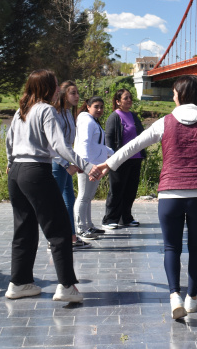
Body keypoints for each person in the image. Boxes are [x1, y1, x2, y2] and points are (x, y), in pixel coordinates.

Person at [90, 75, 197, 319]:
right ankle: (192, 298)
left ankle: (174, 296)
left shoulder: (165, 122)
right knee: (196, 248)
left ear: (180, 96)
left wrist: (108, 164)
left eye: (174, 93)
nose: (172, 96)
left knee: (171, 247)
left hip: (170, 193)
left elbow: (134, 145)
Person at [5, 69, 93, 303]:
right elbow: (59, 145)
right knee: (60, 229)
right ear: (45, 88)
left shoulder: (21, 110)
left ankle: (19, 283)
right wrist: (86, 165)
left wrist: (10, 163)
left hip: (16, 173)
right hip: (36, 171)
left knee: (23, 229)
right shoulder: (46, 110)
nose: (57, 90)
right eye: (54, 85)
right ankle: (66, 286)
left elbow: (9, 141)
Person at [51, 81, 91, 250]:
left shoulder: (68, 113)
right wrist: (66, 163)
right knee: (56, 202)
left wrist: (73, 162)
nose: (77, 96)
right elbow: (53, 145)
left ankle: (71, 237)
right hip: (57, 163)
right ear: (63, 94)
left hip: (66, 162)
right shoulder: (55, 113)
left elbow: (68, 144)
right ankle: (54, 239)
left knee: (69, 200)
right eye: (72, 93)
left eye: (77, 92)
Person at [103, 89, 145, 229]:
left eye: (130, 97)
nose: (129, 100)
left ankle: (126, 218)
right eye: (125, 98)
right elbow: (109, 138)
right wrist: (112, 158)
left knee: (130, 190)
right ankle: (110, 218)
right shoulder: (114, 117)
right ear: (118, 101)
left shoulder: (133, 116)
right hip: (119, 159)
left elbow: (141, 135)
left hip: (135, 158)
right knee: (116, 189)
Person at [73, 97, 114, 241]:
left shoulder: (93, 121)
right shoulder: (87, 121)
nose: (99, 110)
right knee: (83, 197)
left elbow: (97, 145)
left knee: (88, 197)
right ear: (88, 106)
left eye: (102, 107)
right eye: (96, 106)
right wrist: (85, 165)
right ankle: (81, 228)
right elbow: (84, 143)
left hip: (95, 165)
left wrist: (113, 153)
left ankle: (88, 225)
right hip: (88, 166)